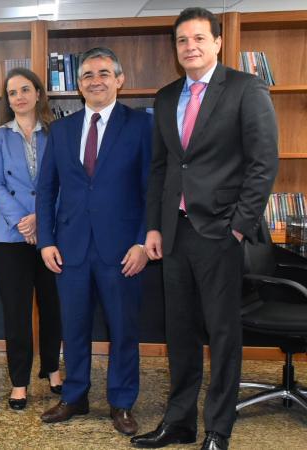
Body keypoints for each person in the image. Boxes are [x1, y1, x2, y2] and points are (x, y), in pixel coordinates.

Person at [132, 8, 278, 450]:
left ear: (217, 42)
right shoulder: (165, 96)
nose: (189, 46)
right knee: (180, 334)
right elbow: (160, 168)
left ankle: (218, 428)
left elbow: (263, 163)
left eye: (198, 38)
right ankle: (179, 422)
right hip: (173, 233)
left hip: (220, 232)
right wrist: (154, 228)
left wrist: (238, 227)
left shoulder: (244, 88)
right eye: (181, 40)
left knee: (222, 334)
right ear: (175, 49)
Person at [37, 47, 151, 436]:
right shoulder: (62, 129)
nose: (96, 80)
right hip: (69, 249)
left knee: (123, 329)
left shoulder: (141, 126)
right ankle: (75, 396)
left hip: (122, 251)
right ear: (78, 84)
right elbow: (46, 188)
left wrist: (141, 243)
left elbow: (153, 190)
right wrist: (46, 241)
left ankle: (121, 402)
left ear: (119, 80)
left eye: (104, 73)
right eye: (87, 75)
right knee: (75, 327)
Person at [0, 67, 63, 410]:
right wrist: (22, 221)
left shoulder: (57, 133)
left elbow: (65, 182)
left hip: (52, 235)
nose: (19, 97)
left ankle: (53, 369)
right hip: (9, 238)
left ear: (39, 93)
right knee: (16, 313)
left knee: (53, 307)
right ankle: (19, 382)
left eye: (25, 90)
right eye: (12, 92)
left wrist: (41, 219)